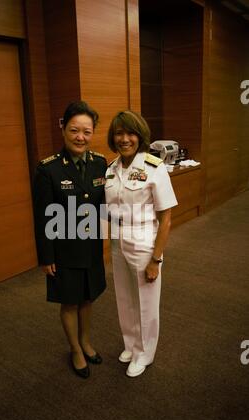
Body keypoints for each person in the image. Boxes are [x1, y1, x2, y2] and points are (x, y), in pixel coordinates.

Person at [33, 101, 107, 379]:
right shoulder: (48, 170)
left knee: (88, 298)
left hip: (90, 247)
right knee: (70, 302)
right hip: (63, 250)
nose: (80, 137)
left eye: (87, 132)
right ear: (62, 127)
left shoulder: (100, 163)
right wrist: (46, 256)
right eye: (75, 130)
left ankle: (86, 341)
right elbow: (41, 217)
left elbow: (102, 205)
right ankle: (75, 349)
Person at [105, 110, 178, 377]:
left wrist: (156, 259)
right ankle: (131, 344)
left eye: (130, 133)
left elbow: (166, 216)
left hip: (145, 241)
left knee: (146, 301)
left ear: (140, 136)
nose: (125, 139)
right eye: (119, 133)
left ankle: (145, 354)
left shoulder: (153, 168)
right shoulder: (111, 169)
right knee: (125, 298)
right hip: (118, 240)